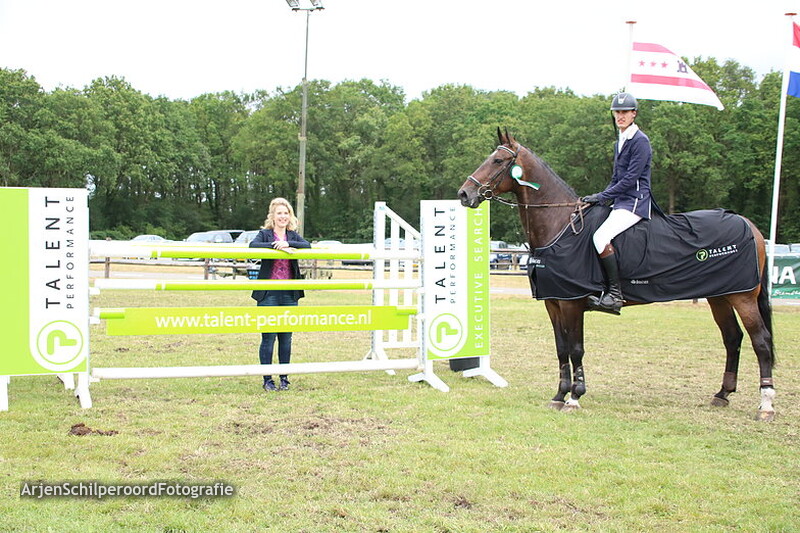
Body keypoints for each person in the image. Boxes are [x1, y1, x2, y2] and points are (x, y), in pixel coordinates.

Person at [581, 92, 652, 315]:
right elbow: (616, 178)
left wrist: (603, 197)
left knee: (600, 237)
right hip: (621, 200)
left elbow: (631, 179)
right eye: (617, 112)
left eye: (624, 112)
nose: (620, 116)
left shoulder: (640, 141)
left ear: (634, 114)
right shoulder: (620, 141)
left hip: (635, 201)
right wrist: (598, 196)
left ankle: (615, 295)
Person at [249, 197, 310, 391]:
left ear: (289, 216)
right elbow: (252, 247)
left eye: (286, 213)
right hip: (269, 293)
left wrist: (289, 244)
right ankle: (268, 380)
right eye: (279, 213)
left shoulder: (293, 236)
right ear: (273, 216)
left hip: (289, 294)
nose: (283, 216)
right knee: (268, 337)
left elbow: (307, 246)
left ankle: (284, 378)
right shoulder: (265, 235)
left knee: (286, 337)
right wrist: (276, 246)